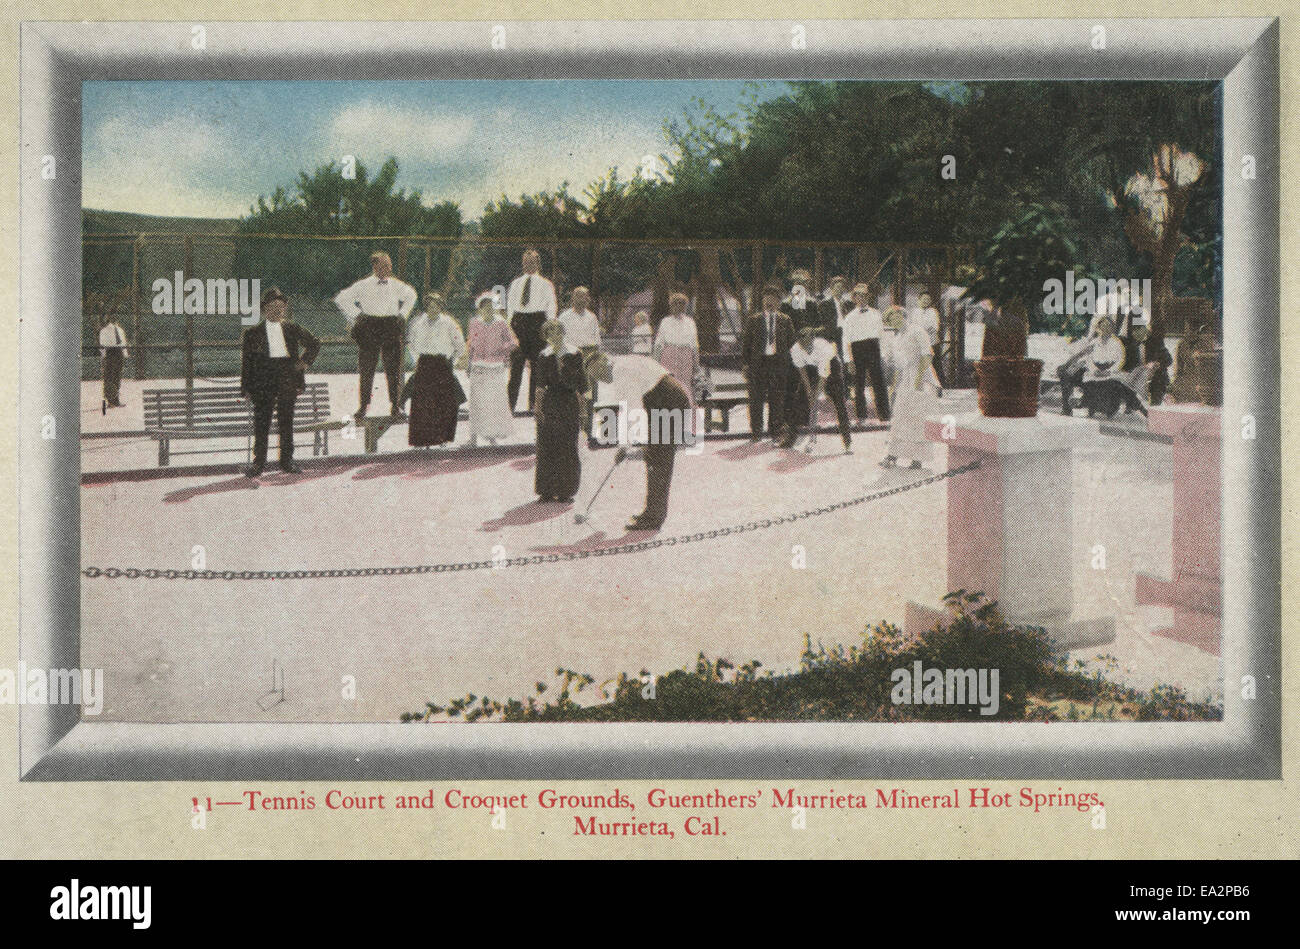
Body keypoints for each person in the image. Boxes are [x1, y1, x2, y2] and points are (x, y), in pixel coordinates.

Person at [586, 350, 692, 531]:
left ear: (605, 360)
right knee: (655, 459)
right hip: (665, 400)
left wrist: (624, 448)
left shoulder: (620, 371)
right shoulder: (622, 363)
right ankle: (652, 512)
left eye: (599, 373)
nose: (601, 380)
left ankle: (653, 517)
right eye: (596, 378)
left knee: (658, 461)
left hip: (668, 402)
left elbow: (631, 411)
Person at [240, 287, 320, 477]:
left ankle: (287, 461)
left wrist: (303, 363)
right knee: (262, 423)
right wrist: (246, 388)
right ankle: (258, 463)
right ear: (264, 309)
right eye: (272, 306)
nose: (277, 310)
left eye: (280, 306)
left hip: (287, 378)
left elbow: (315, 343)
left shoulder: (292, 328)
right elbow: (247, 362)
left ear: (284, 309)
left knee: (286, 422)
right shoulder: (252, 333)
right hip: (263, 381)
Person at [334, 251, 417, 422]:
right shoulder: (363, 285)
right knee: (366, 370)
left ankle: (396, 405)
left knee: (393, 370)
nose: (388, 268)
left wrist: (402, 314)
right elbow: (341, 298)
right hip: (369, 327)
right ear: (375, 266)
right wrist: (357, 314)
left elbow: (411, 295)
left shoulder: (396, 285)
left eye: (389, 265)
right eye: (384, 265)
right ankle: (363, 406)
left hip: (390, 326)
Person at [401, 292, 466, 447]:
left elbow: (460, 345)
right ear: (426, 307)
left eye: (436, 306)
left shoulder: (449, 323)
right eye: (430, 306)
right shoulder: (417, 323)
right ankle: (422, 441)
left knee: (443, 402)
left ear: (441, 307)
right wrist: (420, 359)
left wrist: (451, 360)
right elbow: (410, 344)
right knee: (422, 403)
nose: (433, 309)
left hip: (442, 364)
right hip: (424, 364)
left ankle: (442, 439)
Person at [533, 320, 585, 503]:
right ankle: (546, 490)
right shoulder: (543, 356)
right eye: (550, 333)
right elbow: (539, 385)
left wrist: (584, 411)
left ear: (563, 333)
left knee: (568, 446)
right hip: (550, 402)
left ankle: (566, 491)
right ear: (546, 336)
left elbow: (582, 385)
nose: (555, 336)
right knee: (546, 445)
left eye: (558, 332)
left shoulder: (575, 353)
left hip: (569, 403)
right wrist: (537, 407)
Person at [880, 306, 939, 470]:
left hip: (920, 377)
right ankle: (892, 456)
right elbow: (899, 366)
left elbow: (928, 356)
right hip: (905, 379)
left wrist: (918, 381)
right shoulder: (896, 338)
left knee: (918, 420)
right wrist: (893, 387)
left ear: (903, 315)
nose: (895, 320)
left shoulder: (917, 331)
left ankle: (917, 459)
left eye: (896, 316)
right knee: (899, 417)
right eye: (891, 319)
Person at [783, 326, 853, 454]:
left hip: (832, 367)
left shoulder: (823, 348)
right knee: (799, 399)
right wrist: (809, 390)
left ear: (813, 340)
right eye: (802, 344)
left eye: (808, 344)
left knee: (839, 403)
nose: (806, 347)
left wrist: (816, 395)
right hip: (811, 368)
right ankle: (790, 438)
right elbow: (802, 370)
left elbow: (823, 375)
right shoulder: (795, 349)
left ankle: (847, 441)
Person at [506, 248, 558, 413]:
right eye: (525, 262)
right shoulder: (516, 283)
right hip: (519, 323)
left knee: (537, 367)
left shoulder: (545, 284)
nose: (528, 264)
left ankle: (534, 405)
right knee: (516, 366)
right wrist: (510, 329)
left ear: (538, 264)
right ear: (522, 264)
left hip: (538, 324)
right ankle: (510, 405)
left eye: (532, 262)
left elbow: (551, 306)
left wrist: (549, 326)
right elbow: (510, 307)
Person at [464, 293, 519, 447]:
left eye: (491, 307)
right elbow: (471, 345)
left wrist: (500, 350)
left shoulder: (501, 323)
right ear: (480, 308)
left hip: (495, 367)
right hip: (478, 366)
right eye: (485, 307)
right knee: (476, 402)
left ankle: (491, 436)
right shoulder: (474, 323)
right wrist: (469, 364)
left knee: (493, 402)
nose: (488, 310)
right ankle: (473, 437)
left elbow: (513, 342)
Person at [741, 285, 795, 440]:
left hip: (778, 365)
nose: (769, 303)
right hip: (758, 365)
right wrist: (745, 365)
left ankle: (775, 432)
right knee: (756, 400)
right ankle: (756, 433)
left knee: (776, 401)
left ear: (779, 302)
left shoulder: (785, 320)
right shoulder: (753, 320)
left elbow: (792, 345)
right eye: (766, 300)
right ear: (762, 301)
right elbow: (746, 345)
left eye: (772, 300)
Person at [840, 283, 890, 422]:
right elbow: (846, 340)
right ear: (854, 298)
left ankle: (885, 415)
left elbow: (882, 336)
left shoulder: (876, 314)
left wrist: (884, 355)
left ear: (868, 297)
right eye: (858, 295)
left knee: (878, 382)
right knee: (859, 384)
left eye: (864, 295)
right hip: (857, 350)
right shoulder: (849, 317)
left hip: (873, 348)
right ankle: (861, 416)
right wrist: (848, 360)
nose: (861, 298)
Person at [653, 292, 703, 424]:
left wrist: (696, 365)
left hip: (685, 358)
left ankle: (686, 425)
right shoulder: (665, 322)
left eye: (682, 304)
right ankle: (669, 424)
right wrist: (655, 364)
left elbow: (694, 345)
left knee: (685, 389)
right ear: (671, 306)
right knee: (670, 388)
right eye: (676, 304)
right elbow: (659, 344)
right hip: (669, 356)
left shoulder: (690, 322)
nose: (679, 307)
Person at [1077, 315, 1130, 419]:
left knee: (1112, 384)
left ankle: (1109, 411)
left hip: (1109, 371)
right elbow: (1088, 358)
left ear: (1112, 329)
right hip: (1095, 371)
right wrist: (1094, 370)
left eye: (1109, 326)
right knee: (1091, 383)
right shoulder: (1094, 342)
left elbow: (1119, 361)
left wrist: (1109, 371)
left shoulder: (1116, 344)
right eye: (1103, 326)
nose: (1106, 329)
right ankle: (1091, 408)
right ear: (1099, 328)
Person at [1119, 312, 1172, 412]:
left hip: (1153, 375)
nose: (1137, 332)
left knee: (1159, 378)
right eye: (1134, 329)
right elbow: (1123, 365)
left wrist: (1157, 363)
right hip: (1135, 375)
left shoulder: (1155, 342)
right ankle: (1132, 404)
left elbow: (1168, 359)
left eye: (1140, 328)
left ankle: (1154, 407)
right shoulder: (1127, 344)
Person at [912, 292, 944, 392]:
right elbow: (913, 326)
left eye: (928, 299)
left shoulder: (932, 312)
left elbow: (933, 327)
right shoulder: (915, 312)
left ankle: (939, 387)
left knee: (935, 364)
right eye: (924, 299)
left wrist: (921, 330)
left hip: (931, 342)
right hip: (918, 343)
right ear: (919, 300)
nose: (926, 301)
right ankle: (920, 387)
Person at [98, 315, 129, 408]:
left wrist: (124, 354)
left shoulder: (119, 330)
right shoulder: (104, 331)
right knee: (110, 377)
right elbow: (102, 345)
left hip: (117, 352)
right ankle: (111, 400)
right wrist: (104, 356)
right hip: (111, 352)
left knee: (116, 376)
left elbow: (123, 342)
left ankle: (115, 400)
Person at [781, 268, 821, 334]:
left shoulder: (812, 303)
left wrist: (811, 330)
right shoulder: (786, 304)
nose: (799, 287)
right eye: (796, 283)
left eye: (802, 284)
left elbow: (819, 324)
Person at [819, 275, 852, 345]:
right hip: (832, 336)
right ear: (832, 288)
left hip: (847, 335)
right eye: (837, 287)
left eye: (841, 287)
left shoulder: (849, 304)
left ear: (844, 289)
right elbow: (824, 324)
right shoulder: (825, 304)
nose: (839, 290)